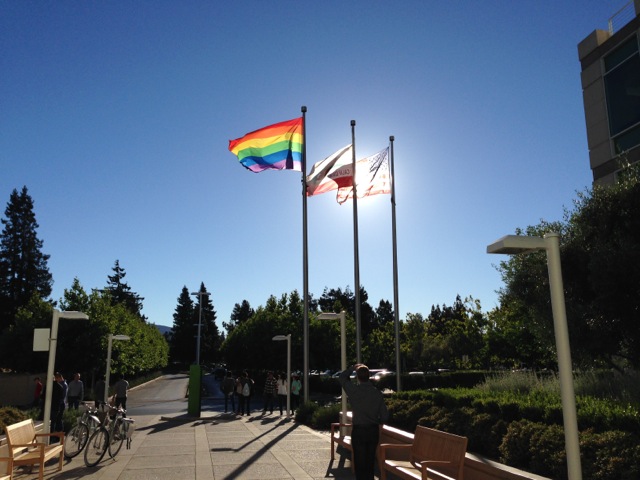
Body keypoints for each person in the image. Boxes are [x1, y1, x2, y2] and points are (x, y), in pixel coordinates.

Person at [339, 364, 388, 480]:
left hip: (359, 430)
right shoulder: (377, 393)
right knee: (370, 461)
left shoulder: (354, 391)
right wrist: (377, 421)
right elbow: (385, 416)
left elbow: (341, 378)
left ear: (357, 377)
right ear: (369, 376)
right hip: (372, 430)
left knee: (360, 462)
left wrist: (352, 368)